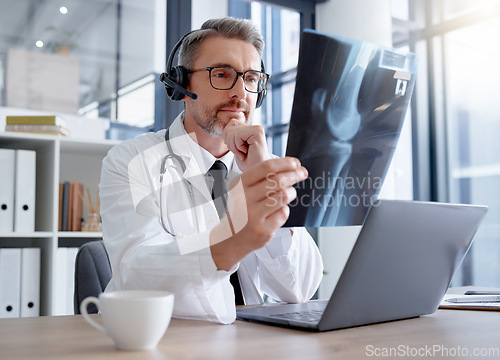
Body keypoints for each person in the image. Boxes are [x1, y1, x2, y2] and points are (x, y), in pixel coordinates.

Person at [99, 17, 323, 324]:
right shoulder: (132, 160)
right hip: (165, 338)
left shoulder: (265, 166)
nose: (241, 93)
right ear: (181, 83)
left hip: (251, 338)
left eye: (251, 79)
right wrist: (233, 241)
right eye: (222, 74)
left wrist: (266, 188)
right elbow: (137, 273)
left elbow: (298, 289)